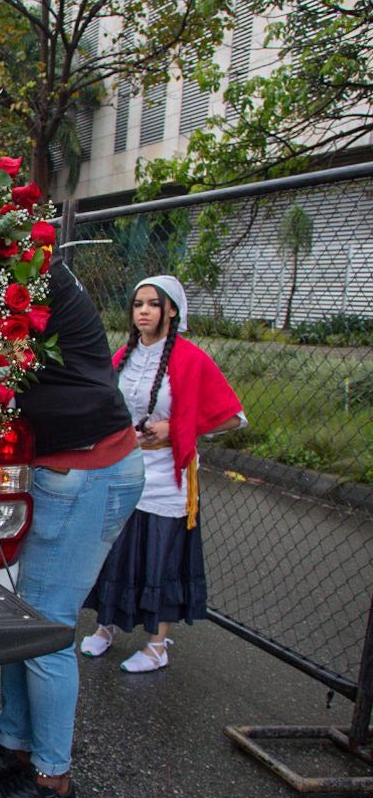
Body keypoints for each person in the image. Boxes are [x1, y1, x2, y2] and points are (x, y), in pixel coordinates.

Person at [0, 255, 145, 798]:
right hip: (75, 468)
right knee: (26, 617)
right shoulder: (21, 262)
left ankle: (53, 781)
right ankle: (15, 749)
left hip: (87, 470)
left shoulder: (22, 269)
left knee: (49, 627)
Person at [81, 275, 245, 672]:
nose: (143, 312)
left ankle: (157, 645)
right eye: (138, 304)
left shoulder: (191, 359)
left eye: (153, 304)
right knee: (114, 552)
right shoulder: (124, 356)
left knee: (159, 557)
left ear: (172, 310)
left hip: (167, 476)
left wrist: (175, 429)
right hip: (123, 468)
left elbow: (233, 418)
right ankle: (106, 628)